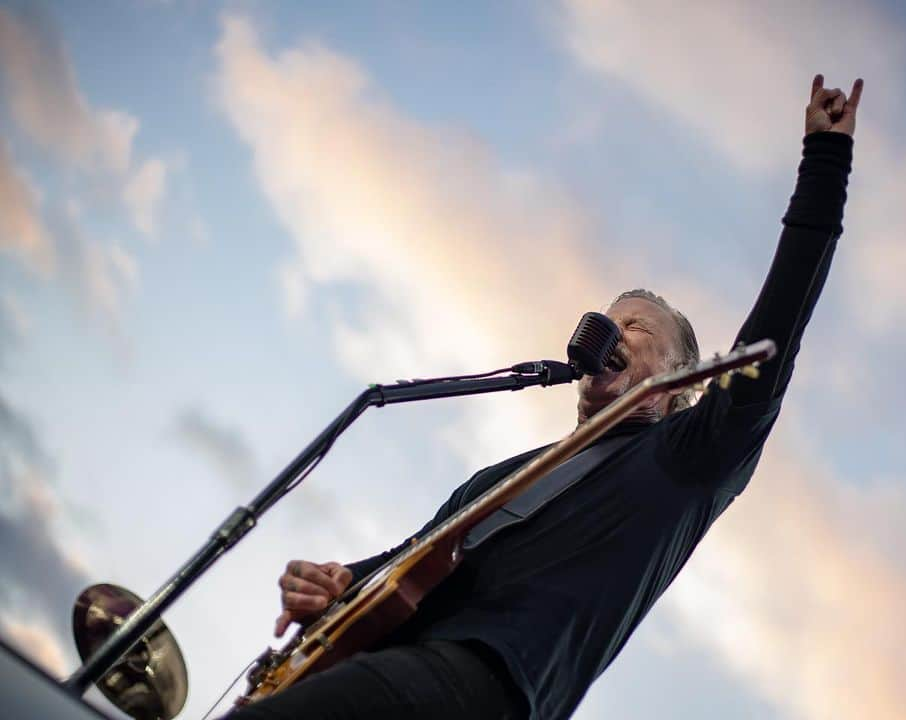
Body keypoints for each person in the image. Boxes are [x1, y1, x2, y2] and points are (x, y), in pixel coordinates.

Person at [226, 73, 863, 720]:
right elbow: (401, 570)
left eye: (637, 328)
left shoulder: (686, 457)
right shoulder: (498, 481)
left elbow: (780, 319)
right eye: (610, 320)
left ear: (684, 387)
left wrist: (825, 161)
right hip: (385, 662)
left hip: (484, 684)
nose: (614, 330)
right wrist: (335, 584)